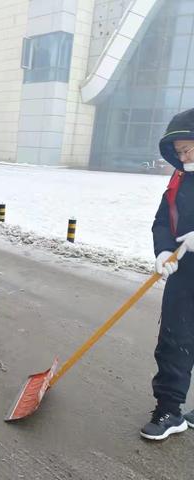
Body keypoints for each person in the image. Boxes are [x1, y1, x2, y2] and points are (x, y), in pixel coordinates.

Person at [141, 108, 194, 440]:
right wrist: (163, 250)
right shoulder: (180, 181)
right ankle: (169, 410)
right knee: (174, 340)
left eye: (187, 149)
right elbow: (163, 219)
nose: (182, 156)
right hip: (185, 273)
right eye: (179, 152)